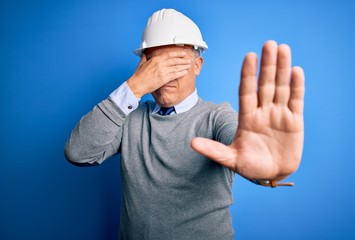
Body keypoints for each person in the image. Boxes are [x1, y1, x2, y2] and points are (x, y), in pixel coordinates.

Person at [64, 8, 305, 240]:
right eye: (156, 66)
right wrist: (133, 88)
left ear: (197, 66)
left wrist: (267, 168)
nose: (165, 76)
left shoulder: (217, 116)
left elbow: (242, 148)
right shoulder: (129, 118)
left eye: (175, 64)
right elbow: (79, 153)